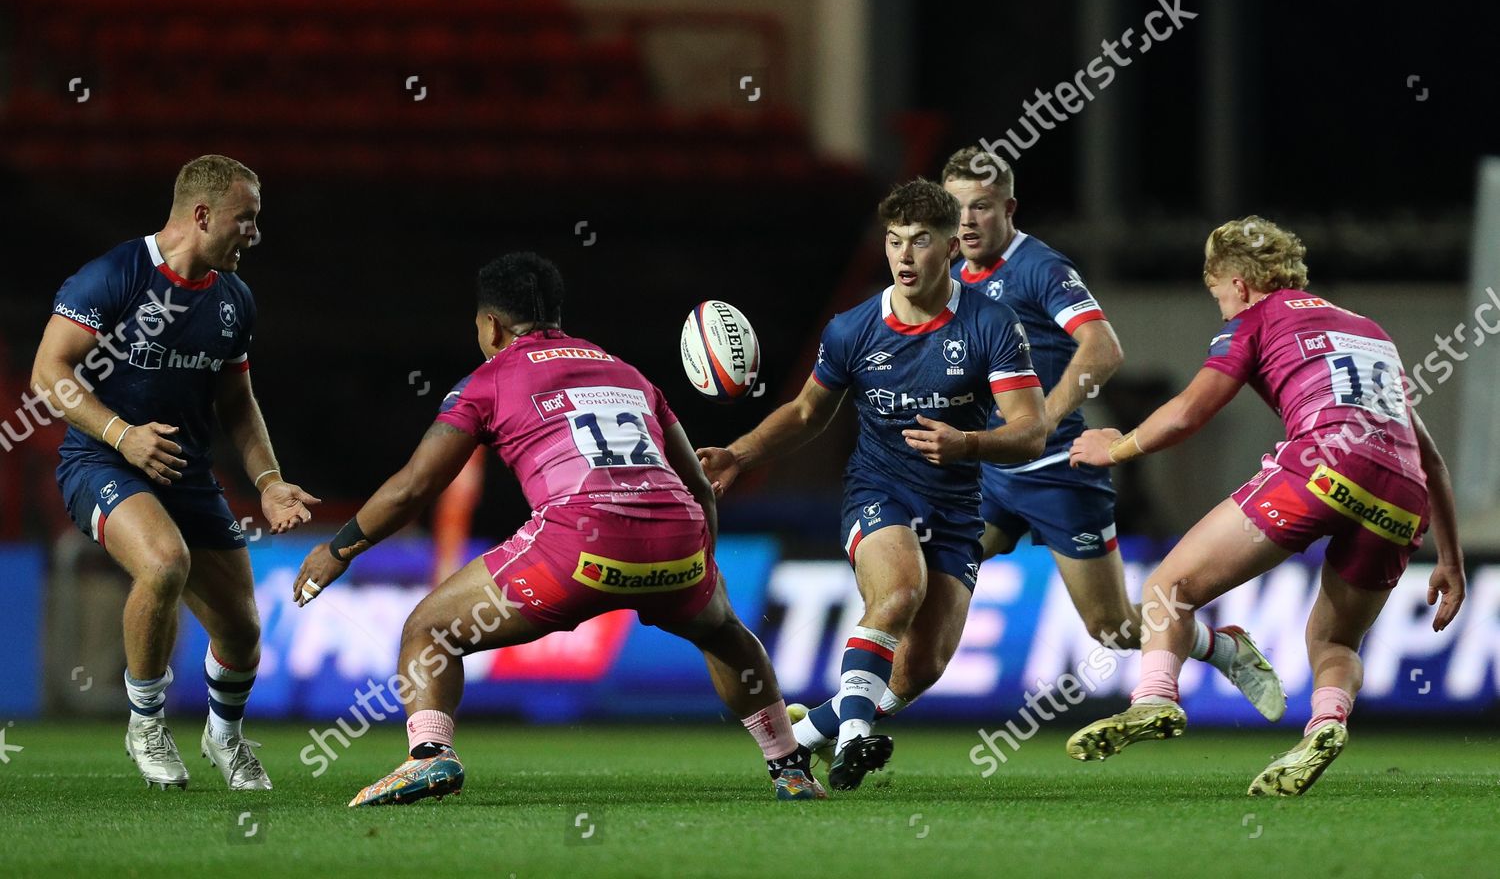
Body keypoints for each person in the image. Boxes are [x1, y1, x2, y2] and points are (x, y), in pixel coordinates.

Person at [293, 252, 824, 806]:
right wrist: (703, 569)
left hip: (577, 548)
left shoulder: (490, 379)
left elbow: (413, 488)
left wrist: (339, 549)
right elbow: (696, 484)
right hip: (677, 541)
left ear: (491, 325)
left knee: (429, 629)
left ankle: (430, 757)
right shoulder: (627, 373)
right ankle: (788, 768)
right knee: (726, 634)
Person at [1065, 216, 1466, 796]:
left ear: (1238, 282)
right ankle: (1326, 723)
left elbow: (1188, 412)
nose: (1220, 307)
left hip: (1326, 465)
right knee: (1335, 642)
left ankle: (1153, 698)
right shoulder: (1368, 330)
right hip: (1403, 494)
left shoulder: (1255, 318)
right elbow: (1429, 457)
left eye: (1217, 294)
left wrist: (1119, 445)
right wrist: (1449, 560)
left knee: (1167, 589)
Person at [698, 180, 1047, 789]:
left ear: (951, 248)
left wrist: (968, 443)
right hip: (879, 491)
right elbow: (807, 413)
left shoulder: (992, 324)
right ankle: (855, 739)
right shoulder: (853, 329)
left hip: (958, 505)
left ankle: (809, 733)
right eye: (894, 243)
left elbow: (1031, 431)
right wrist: (737, 454)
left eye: (919, 242)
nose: (905, 257)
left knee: (921, 669)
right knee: (898, 592)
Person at [938, 145, 1284, 720]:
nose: (967, 221)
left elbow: (1104, 348)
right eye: (956, 209)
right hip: (990, 472)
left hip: (1057, 473)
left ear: (1009, 208)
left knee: (1113, 628)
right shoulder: (951, 279)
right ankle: (852, 710)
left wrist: (1042, 419)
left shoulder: (1041, 268)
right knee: (934, 570)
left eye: (981, 207)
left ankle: (1224, 648)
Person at [31, 155, 318, 790]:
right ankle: (147, 722)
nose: (255, 233)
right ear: (201, 214)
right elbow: (48, 373)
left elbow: (238, 406)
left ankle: (226, 735)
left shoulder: (233, 300)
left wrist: (269, 482)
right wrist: (120, 434)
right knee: (164, 562)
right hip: (100, 459)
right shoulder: (113, 276)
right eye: (246, 220)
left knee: (242, 631)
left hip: (185, 472)